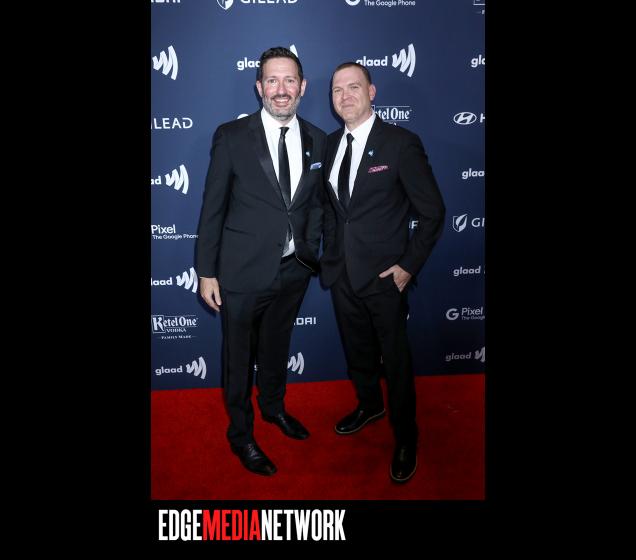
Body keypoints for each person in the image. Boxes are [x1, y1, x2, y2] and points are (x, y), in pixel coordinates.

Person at [196, 47, 326, 476]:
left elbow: (315, 205)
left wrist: (309, 251)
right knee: (238, 358)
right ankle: (242, 435)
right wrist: (206, 271)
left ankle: (273, 407)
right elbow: (212, 208)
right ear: (259, 87)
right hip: (241, 272)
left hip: (293, 270)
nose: (281, 89)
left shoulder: (318, 138)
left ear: (302, 87)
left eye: (289, 80)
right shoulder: (231, 136)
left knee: (276, 347)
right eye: (272, 80)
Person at [320, 62, 445, 483]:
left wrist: (408, 266)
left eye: (354, 87)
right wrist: (330, 255)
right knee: (358, 353)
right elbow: (335, 210)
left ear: (371, 92)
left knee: (395, 362)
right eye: (337, 90)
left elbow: (433, 212)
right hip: (342, 274)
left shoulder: (401, 143)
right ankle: (370, 405)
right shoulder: (330, 144)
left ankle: (407, 437)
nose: (345, 96)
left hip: (386, 278)